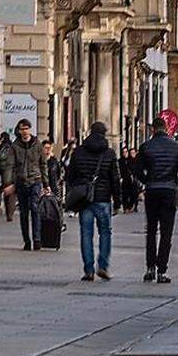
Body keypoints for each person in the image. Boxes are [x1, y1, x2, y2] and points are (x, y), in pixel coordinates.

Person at [135, 117, 178, 284]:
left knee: (151, 231)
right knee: (166, 232)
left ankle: (150, 268)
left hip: (152, 190)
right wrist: (177, 182)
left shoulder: (146, 147)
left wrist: (147, 181)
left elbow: (137, 170)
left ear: (153, 129)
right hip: (169, 191)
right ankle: (162, 270)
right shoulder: (177, 146)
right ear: (167, 128)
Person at [66, 121, 120, 282]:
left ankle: (88, 270)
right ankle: (102, 265)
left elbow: (70, 175)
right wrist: (118, 200)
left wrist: (75, 191)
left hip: (84, 199)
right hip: (103, 198)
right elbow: (115, 178)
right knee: (105, 232)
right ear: (104, 134)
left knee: (86, 234)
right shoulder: (109, 153)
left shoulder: (78, 152)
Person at [0, 118, 50, 251]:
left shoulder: (37, 144)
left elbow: (43, 164)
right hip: (21, 182)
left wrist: (46, 183)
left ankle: (37, 239)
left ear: (30, 129)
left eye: (26, 129)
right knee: (23, 213)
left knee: (35, 208)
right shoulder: (15, 146)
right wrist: (8, 184)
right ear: (19, 131)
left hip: (35, 180)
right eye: (22, 129)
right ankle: (27, 240)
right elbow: (9, 166)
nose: (25, 131)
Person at [0, 132, 16, 221]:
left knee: (6, 190)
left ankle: (5, 209)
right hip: (13, 173)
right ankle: (10, 212)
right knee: (12, 192)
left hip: (4, 173)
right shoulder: (13, 147)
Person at [43, 139, 63, 204]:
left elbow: (59, 175)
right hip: (42, 189)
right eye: (46, 148)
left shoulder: (55, 161)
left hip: (54, 189)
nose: (48, 150)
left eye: (50, 148)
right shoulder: (39, 161)